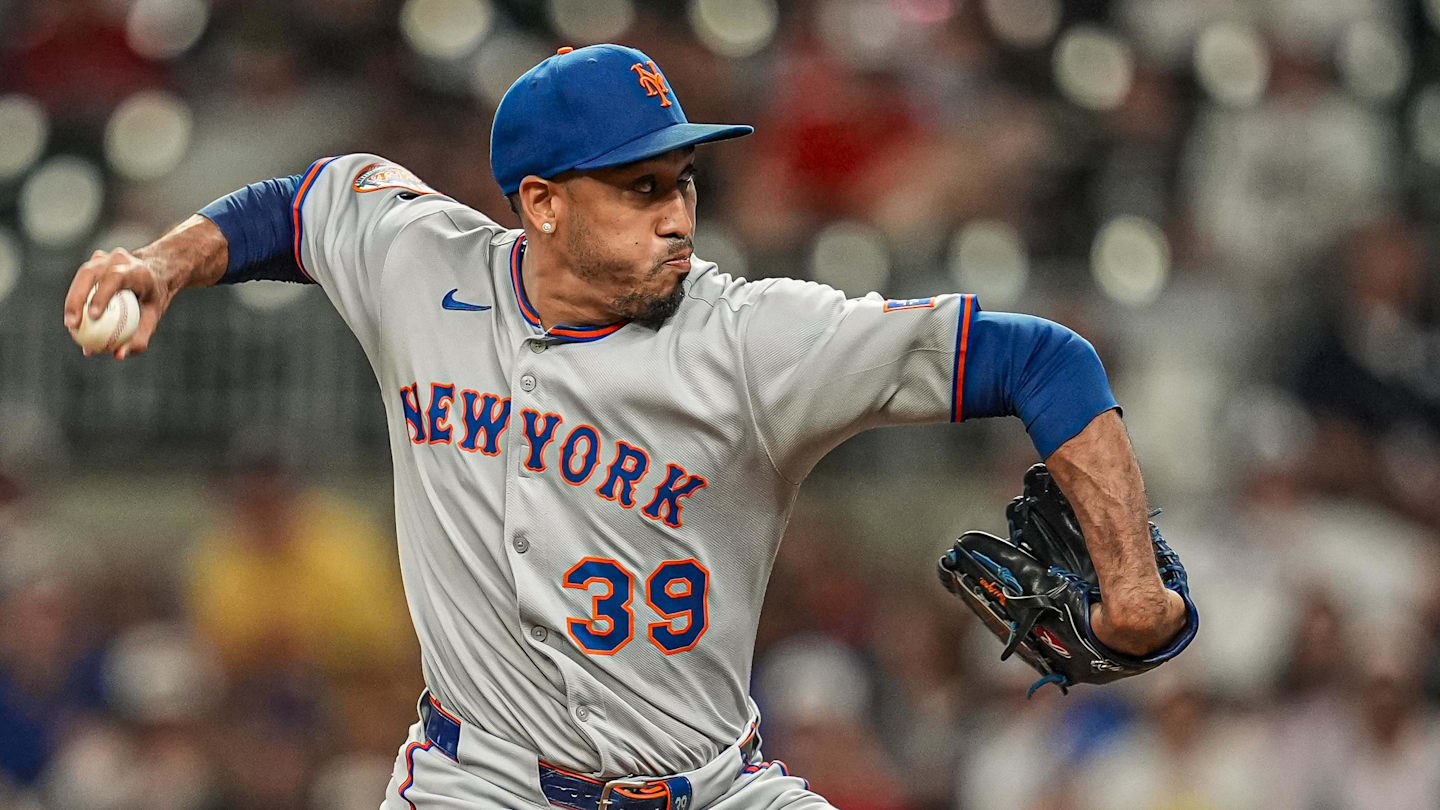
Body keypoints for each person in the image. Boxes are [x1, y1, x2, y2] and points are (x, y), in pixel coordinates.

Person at [63, 44, 1187, 810]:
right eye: (641, 188)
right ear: (542, 201)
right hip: (483, 781)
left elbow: (1044, 358)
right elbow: (296, 211)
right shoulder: (420, 264)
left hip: (707, 783)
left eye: (685, 180)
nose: (680, 216)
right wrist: (164, 264)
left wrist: (1131, 587)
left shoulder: (755, 341)